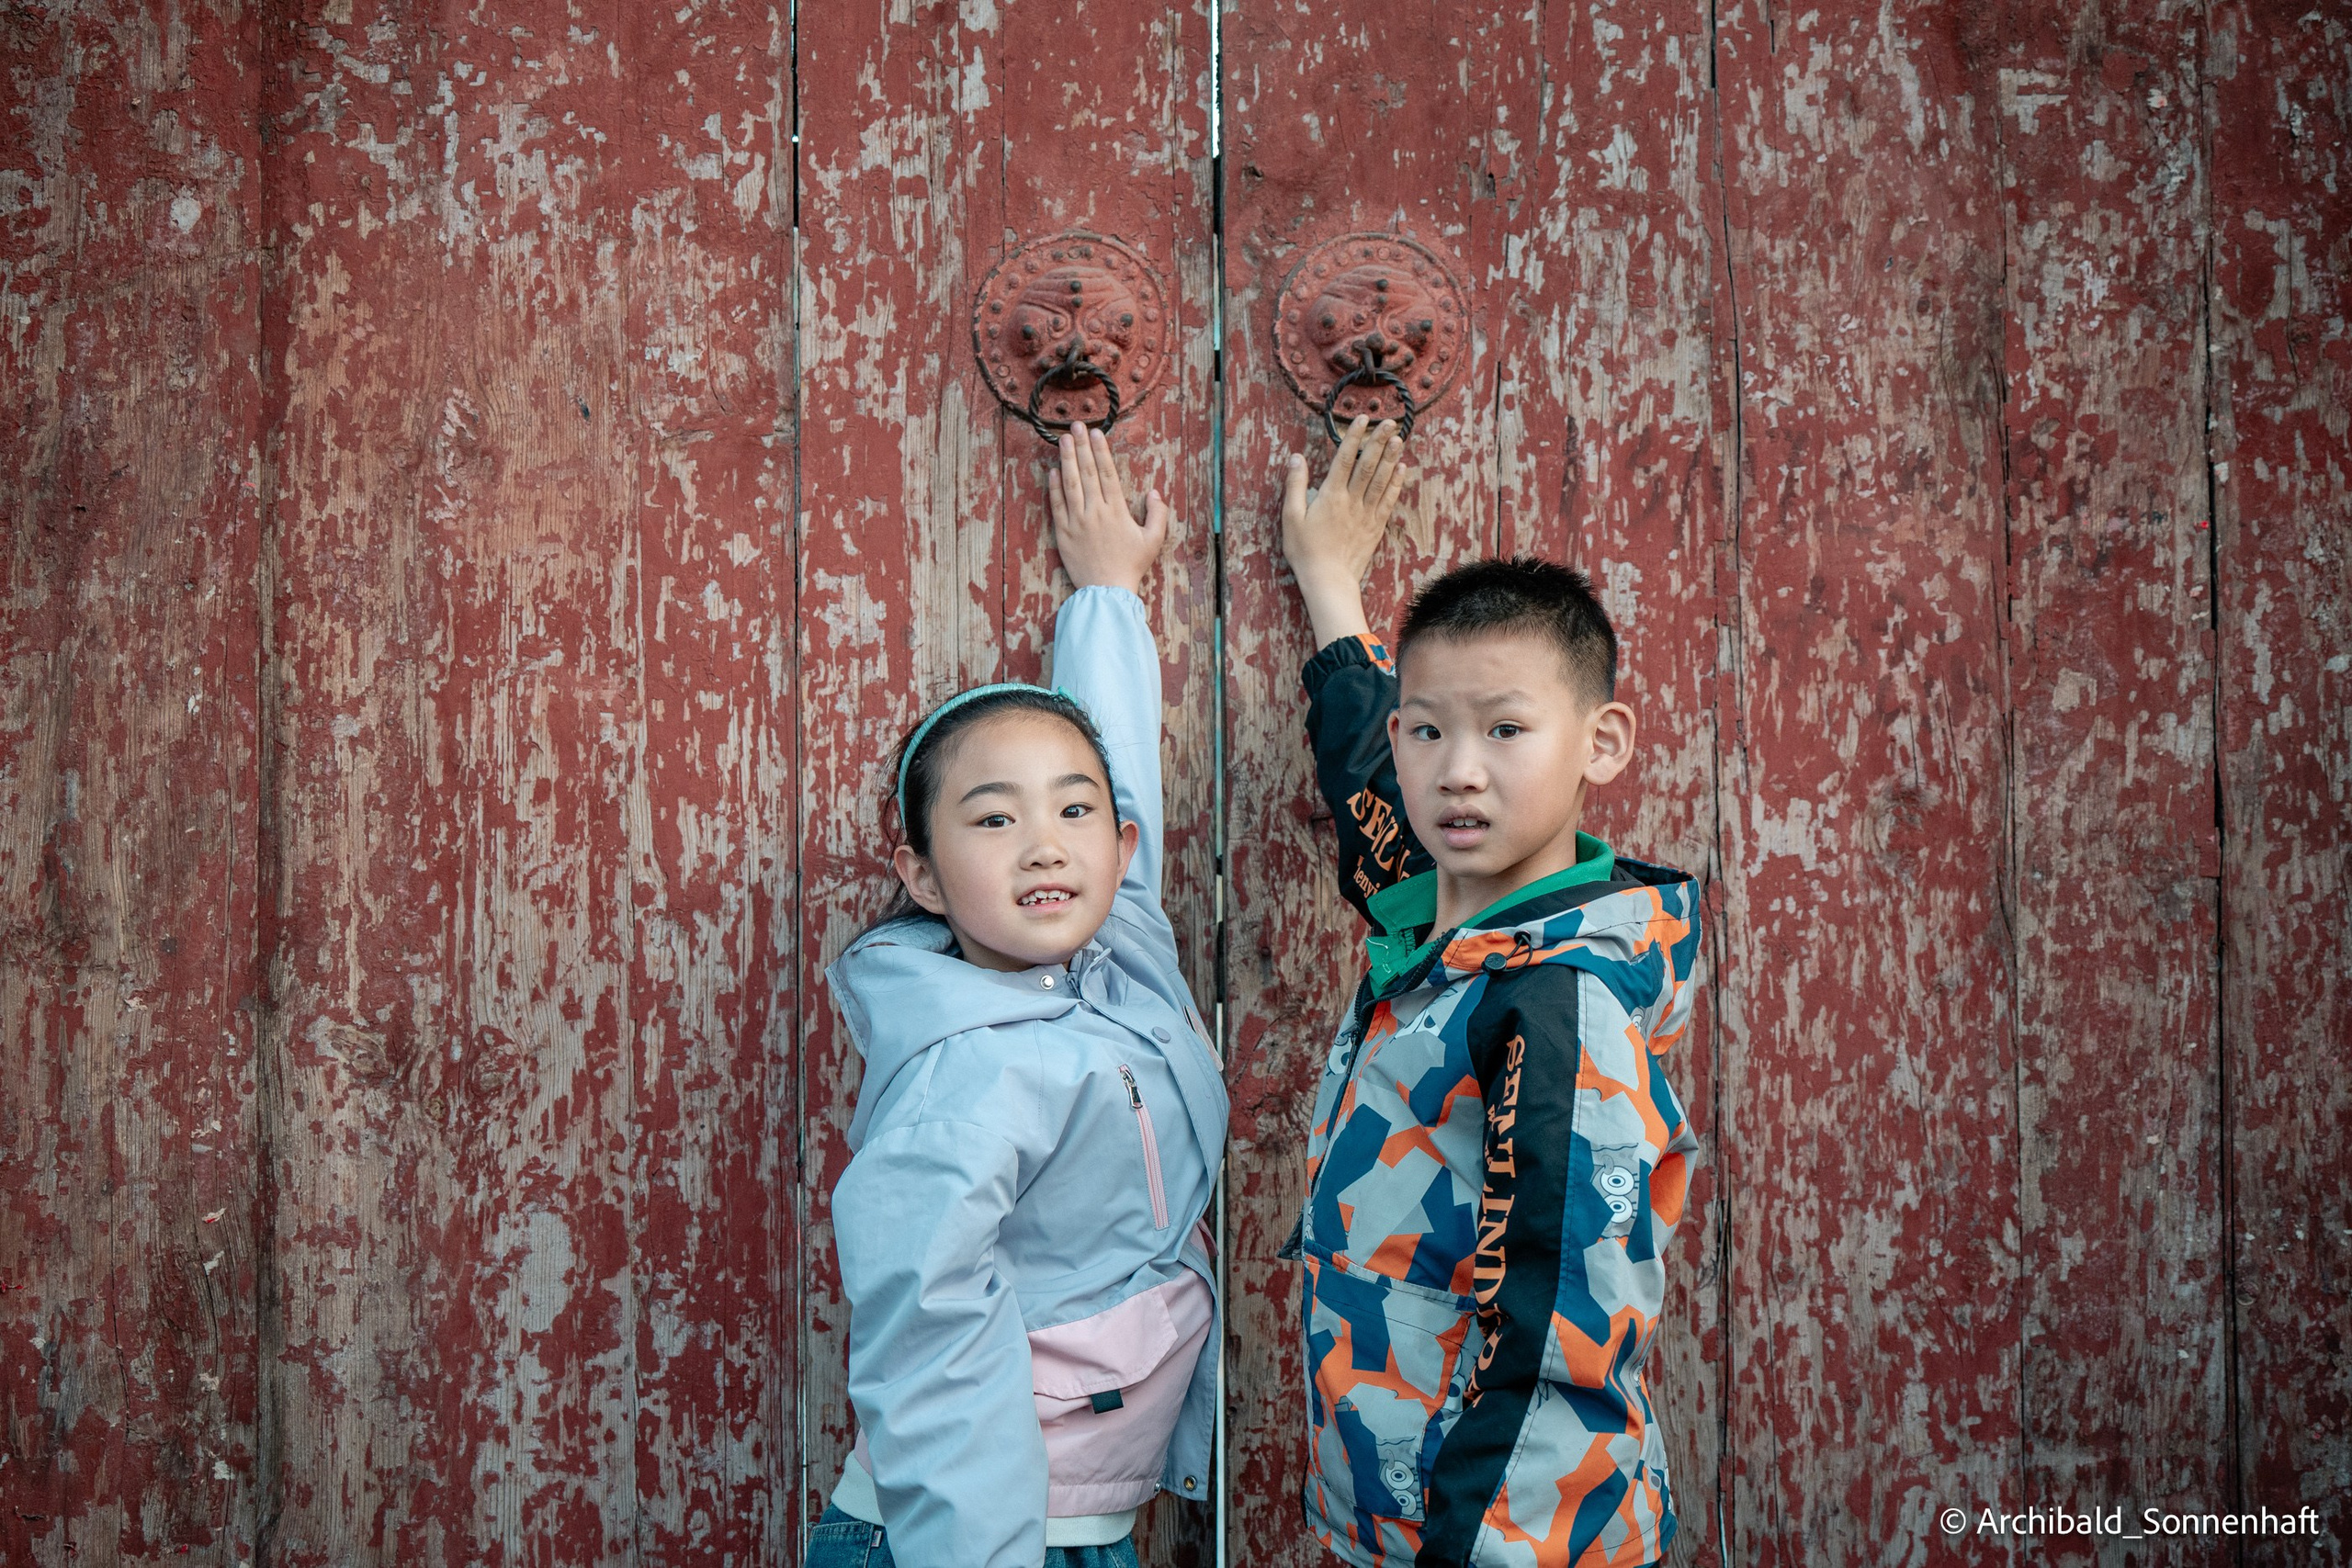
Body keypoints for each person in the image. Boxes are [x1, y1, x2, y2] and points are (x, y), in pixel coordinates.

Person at [1276, 418, 1703, 1567]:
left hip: (1499, 1541)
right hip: (1389, 1522)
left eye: (1507, 729)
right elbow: (1371, 761)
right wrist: (1330, 584)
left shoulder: (1553, 1001)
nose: (1458, 769)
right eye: (1433, 732)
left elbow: (1556, 1326)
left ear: (1599, 743)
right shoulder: (1435, 909)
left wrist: (1480, 1553)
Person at [813, 428, 1227, 1568]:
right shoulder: (963, 1075)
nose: (1045, 845)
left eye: (1073, 813)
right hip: (973, 1544)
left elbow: (1118, 772)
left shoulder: (1123, 946)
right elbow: (932, 1342)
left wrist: (1106, 594)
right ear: (920, 873)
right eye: (994, 820)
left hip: (1085, 1528)